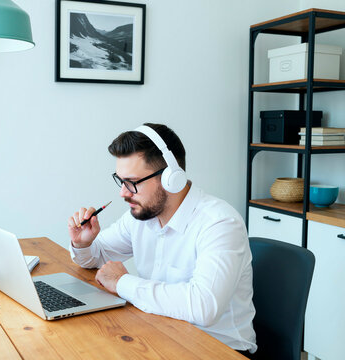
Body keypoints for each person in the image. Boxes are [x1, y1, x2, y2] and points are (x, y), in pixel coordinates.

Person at [68, 123, 257, 353]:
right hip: (161, 336)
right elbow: (95, 259)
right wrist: (83, 243)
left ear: (171, 177)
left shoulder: (220, 223)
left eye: (132, 182)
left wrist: (122, 283)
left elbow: (203, 306)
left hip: (218, 350)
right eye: (121, 181)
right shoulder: (141, 215)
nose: (123, 193)